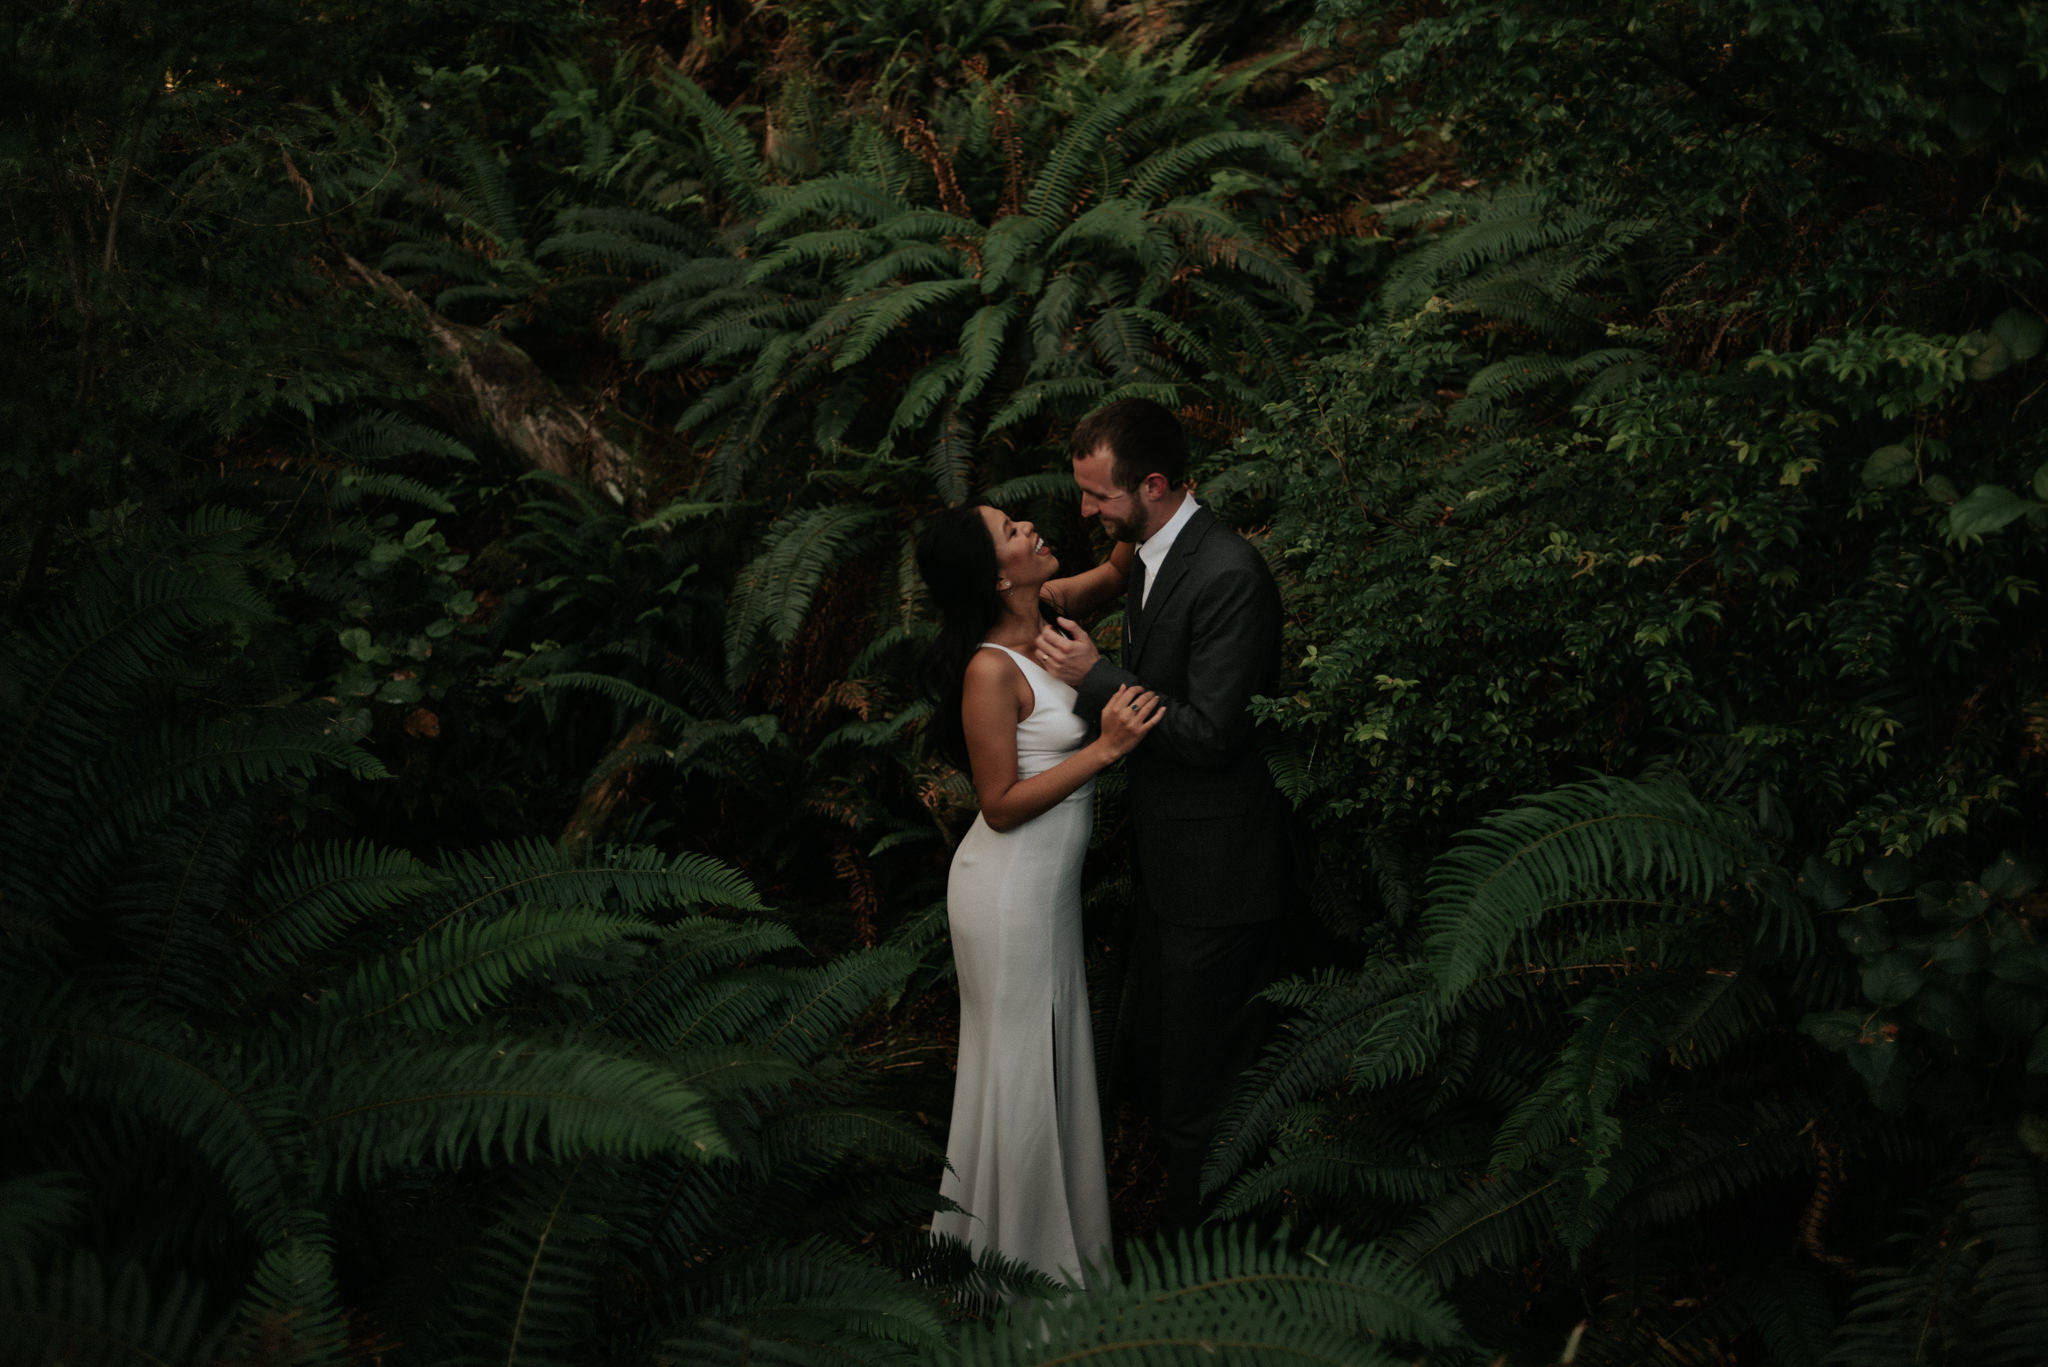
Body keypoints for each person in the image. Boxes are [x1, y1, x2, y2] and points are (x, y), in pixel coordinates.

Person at [1030, 398, 1292, 1233]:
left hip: (1220, 884)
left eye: (1098, 495)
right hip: (1170, 872)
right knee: (1159, 1069)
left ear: (1152, 484)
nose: (1085, 511)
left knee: (1199, 1096)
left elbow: (1212, 733)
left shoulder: (1228, 575)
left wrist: (1095, 675)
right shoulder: (1149, 549)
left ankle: (1205, 1272)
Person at [917, 503, 1161, 1288]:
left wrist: (1136, 488)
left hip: (1045, 894)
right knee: (1019, 1071)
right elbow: (998, 803)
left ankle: (1037, 1257)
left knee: (1046, 1065)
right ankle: (1019, 1276)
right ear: (996, 574)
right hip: (1005, 894)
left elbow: (1122, 568)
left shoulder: (1052, 612)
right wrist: (1105, 748)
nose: (1032, 529)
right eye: (1013, 532)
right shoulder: (990, 669)